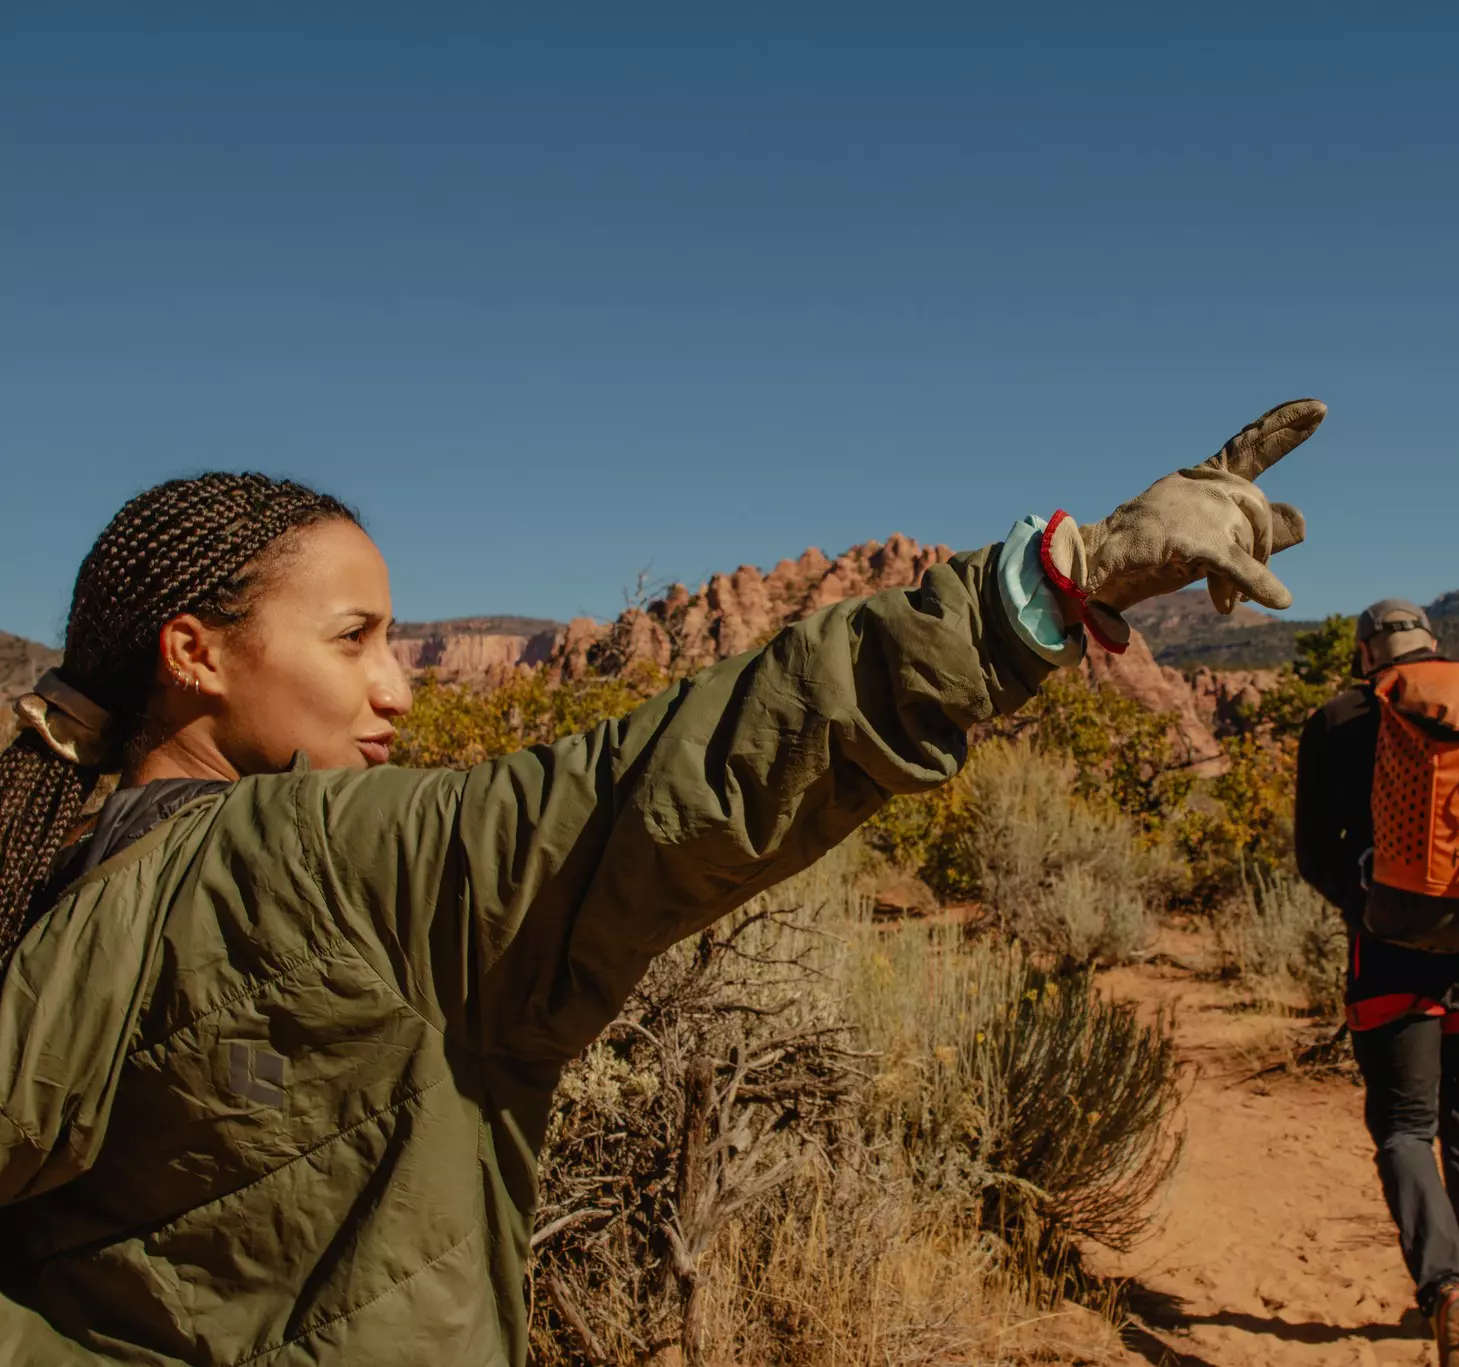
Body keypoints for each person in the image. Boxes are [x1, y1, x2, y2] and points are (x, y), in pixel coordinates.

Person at [0, 399, 1322, 1366]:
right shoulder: (327, 855)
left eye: (402, 641)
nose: (398, 685)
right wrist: (1051, 583)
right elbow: (672, 782)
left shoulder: (46, 858)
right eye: (354, 640)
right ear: (195, 651)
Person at [1294, 598, 1459, 1367]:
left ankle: (1444, 1290)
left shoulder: (1336, 720)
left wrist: (1366, 906)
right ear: (1434, 647)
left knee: (1404, 1126)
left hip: (1389, 952)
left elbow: (1312, 853)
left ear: (1366, 655)